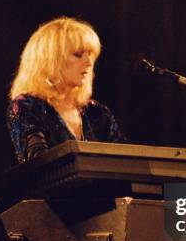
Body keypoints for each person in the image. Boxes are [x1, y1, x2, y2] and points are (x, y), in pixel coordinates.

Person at [7, 17, 125, 163]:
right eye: (78, 54)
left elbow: (125, 163)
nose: (89, 63)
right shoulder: (28, 106)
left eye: (91, 55)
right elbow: (38, 164)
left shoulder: (97, 113)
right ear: (50, 59)